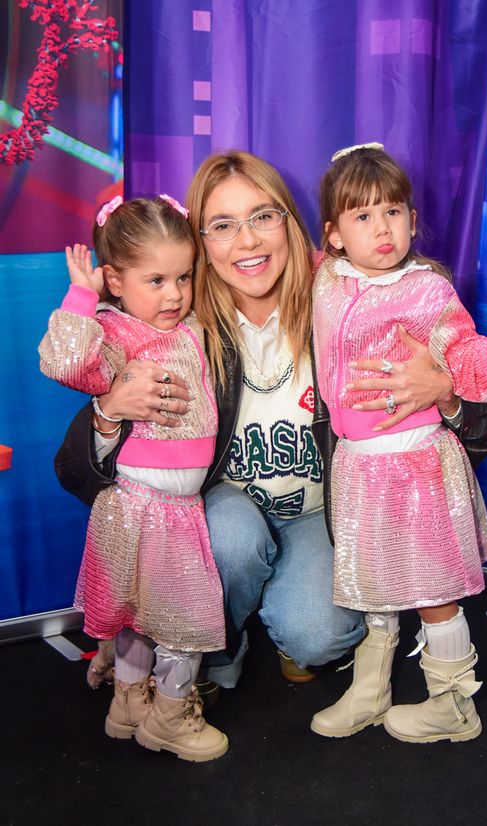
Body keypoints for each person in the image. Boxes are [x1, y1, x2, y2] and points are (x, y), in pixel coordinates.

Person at [54, 151, 487, 702]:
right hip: (225, 510)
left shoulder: (349, 299)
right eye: (223, 225)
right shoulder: (178, 321)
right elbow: (77, 469)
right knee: (233, 541)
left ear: (293, 223)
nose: (247, 241)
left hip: (323, 512)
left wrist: (444, 393)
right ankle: (212, 647)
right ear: (200, 242)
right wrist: (110, 410)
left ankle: (284, 625)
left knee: (320, 634)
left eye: (263, 216)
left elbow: (482, 428)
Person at [310, 144, 487, 743]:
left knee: (434, 593)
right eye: (362, 216)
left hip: (416, 468)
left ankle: (452, 704)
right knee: (373, 583)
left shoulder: (427, 292)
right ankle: (372, 688)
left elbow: (466, 366)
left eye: (394, 211)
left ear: (413, 219)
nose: (382, 228)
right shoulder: (326, 279)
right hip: (358, 466)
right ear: (334, 235)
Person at [39, 195, 228, 762]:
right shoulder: (113, 330)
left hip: (177, 505)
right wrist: (81, 295)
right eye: (156, 280)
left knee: (145, 611)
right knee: (173, 617)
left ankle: (132, 703)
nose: (174, 294)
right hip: (137, 502)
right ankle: (165, 715)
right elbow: (65, 363)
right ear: (116, 282)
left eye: (183, 277)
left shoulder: (193, 327)